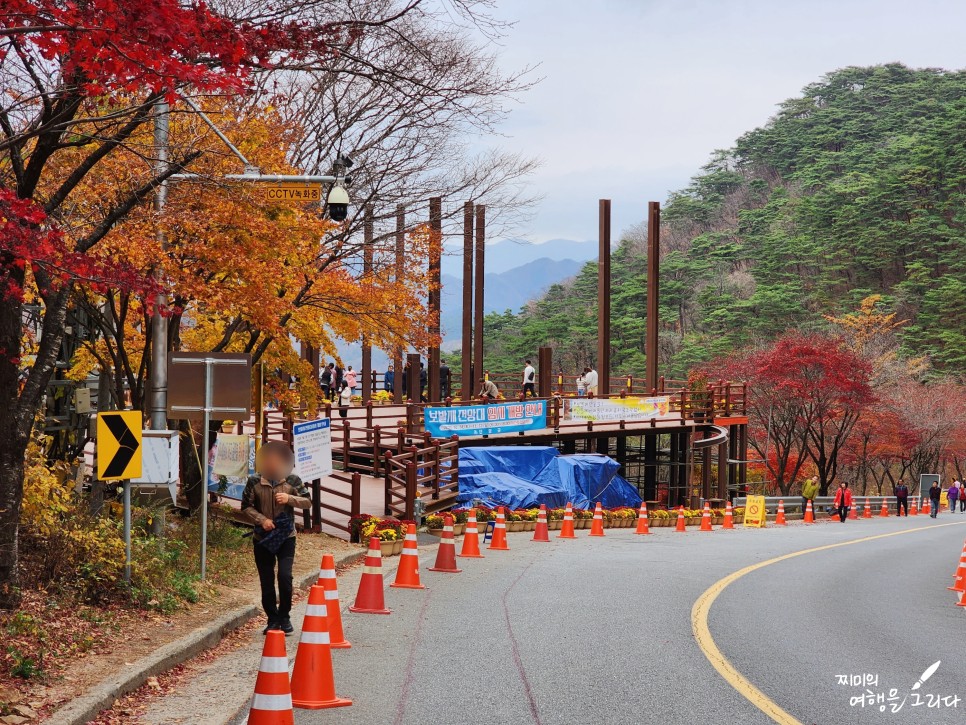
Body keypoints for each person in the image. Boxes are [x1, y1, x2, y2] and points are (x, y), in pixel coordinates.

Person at [241, 441, 311, 634]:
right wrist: (262, 520)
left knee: (285, 576)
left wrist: (290, 499)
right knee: (266, 579)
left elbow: (308, 502)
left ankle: (285, 616)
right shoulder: (254, 481)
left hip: (286, 535)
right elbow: (245, 506)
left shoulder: (292, 480)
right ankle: (272, 619)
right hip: (262, 537)